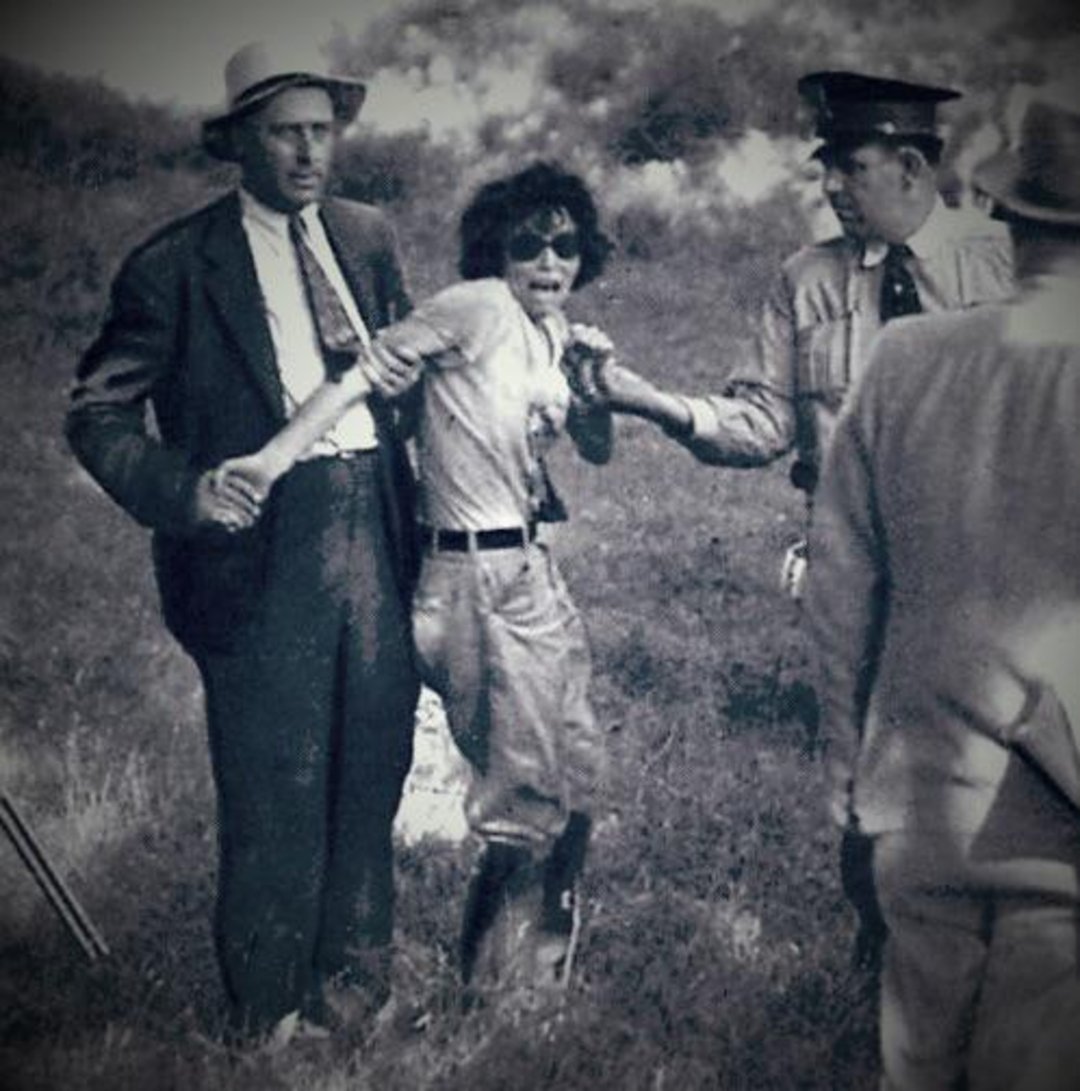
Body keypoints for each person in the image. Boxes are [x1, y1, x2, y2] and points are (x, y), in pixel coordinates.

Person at [64, 41, 420, 1045]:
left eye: (323, 131)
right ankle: (266, 1016)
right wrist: (187, 489)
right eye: (286, 134)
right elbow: (97, 414)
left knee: (372, 760)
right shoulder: (175, 264)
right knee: (276, 779)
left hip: (375, 529)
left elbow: (408, 370)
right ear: (239, 143)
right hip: (261, 542)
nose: (310, 154)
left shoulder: (369, 234)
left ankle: (356, 993)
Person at [214, 161, 617, 999]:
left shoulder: (551, 329)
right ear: (493, 250)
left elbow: (599, 449)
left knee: (579, 775)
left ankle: (540, 982)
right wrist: (273, 459)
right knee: (526, 800)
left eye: (566, 247)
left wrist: (593, 389)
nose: (548, 263)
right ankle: (500, 1001)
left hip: (532, 565)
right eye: (528, 246)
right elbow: (360, 374)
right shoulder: (476, 306)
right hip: (473, 577)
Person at [805, 87, 1080, 1091]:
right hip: (1056, 822)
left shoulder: (903, 357)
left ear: (1011, 221)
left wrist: (843, 762)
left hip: (913, 799)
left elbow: (837, 584)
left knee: (915, 1064)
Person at [582, 70, 1014, 592]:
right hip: (850, 563)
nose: (832, 187)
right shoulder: (807, 280)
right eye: (828, 168)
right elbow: (765, 424)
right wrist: (653, 402)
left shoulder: (1008, 261)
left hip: (983, 557)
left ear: (911, 167)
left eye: (853, 169)